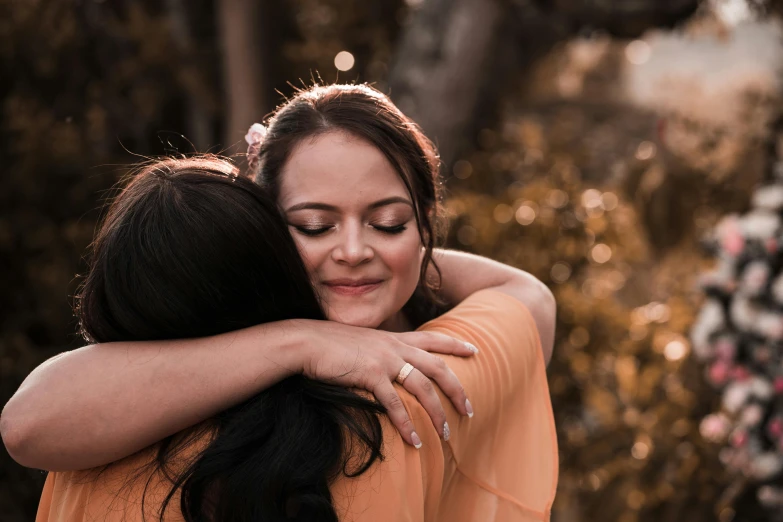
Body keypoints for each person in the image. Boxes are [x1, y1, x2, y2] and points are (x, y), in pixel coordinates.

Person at [4, 84, 558, 520]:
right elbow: (526, 297)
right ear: (263, 224)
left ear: (424, 223)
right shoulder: (430, 382)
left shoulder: (137, 421)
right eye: (314, 226)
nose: (353, 251)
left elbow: (31, 422)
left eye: (388, 223)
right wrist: (308, 339)